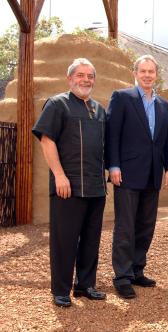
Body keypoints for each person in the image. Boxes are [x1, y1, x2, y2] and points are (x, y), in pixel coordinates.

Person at [32, 58, 107, 307]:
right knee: (64, 240)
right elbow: (47, 140)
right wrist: (59, 175)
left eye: (90, 76)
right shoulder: (57, 104)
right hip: (68, 186)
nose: (85, 80)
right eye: (80, 75)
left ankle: (85, 285)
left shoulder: (99, 109)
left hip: (96, 187)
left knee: (90, 239)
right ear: (70, 78)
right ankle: (61, 290)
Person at [106, 54, 168, 299]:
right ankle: (122, 276)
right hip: (126, 173)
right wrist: (113, 165)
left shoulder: (164, 105)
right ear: (134, 73)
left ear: (156, 75)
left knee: (146, 226)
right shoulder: (122, 97)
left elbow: (166, 140)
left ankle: (137, 270)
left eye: (151, 71)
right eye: (143, 71)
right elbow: (112, 134)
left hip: (153, 174)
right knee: (125, 226)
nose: (147, 75)